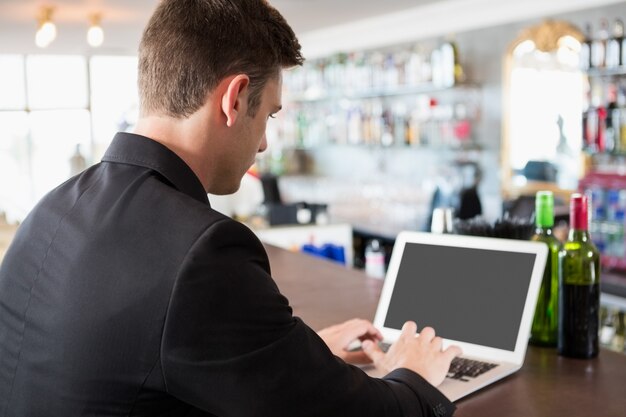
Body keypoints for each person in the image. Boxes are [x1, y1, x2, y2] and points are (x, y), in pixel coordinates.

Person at [0, 1, 461, 416]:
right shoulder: (202, 252)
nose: (263, 142)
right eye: (269, 116)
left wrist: (297, 355)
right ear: (234, 99)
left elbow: (134, 351)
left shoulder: (52, 208)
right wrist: (413, 375)